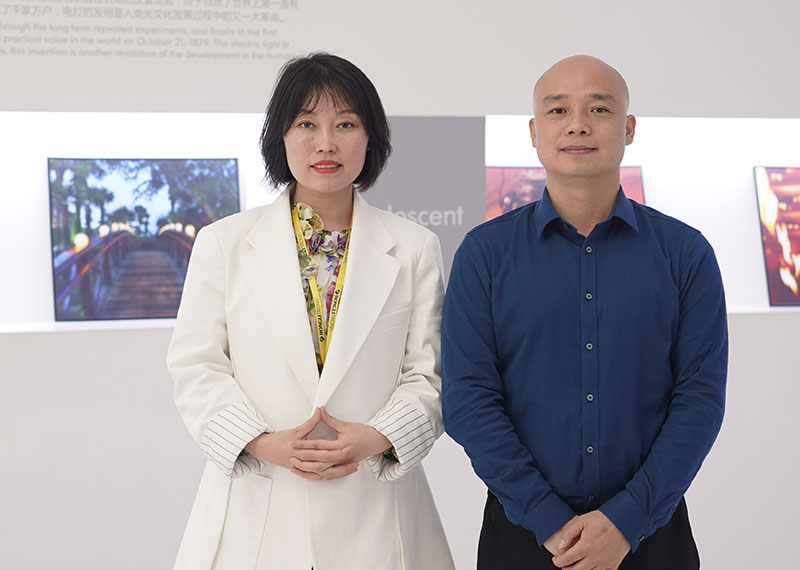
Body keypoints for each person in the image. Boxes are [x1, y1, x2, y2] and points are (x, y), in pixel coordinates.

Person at [168, 53, 454, 570]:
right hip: (257, 506)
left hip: (376, 506)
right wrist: (262, 443)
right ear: (279, 136)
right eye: (306, 124)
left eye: (345, 124)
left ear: (370, 138)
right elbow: (197, 366)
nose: (326, 143)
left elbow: (429, 373)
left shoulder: (414, 247)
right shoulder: (224, 243)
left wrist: (376, 438)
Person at [442, 55, 727, 570]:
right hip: (522, 536)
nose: (577, 124)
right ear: (534, 131)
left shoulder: (685, 253)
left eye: (599, 108)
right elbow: (469, 399)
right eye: (558, 110)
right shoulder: (485, 254)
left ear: (628, 128)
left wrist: (626, 521)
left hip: (651, 536)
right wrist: (548, 519)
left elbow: (699, 400)